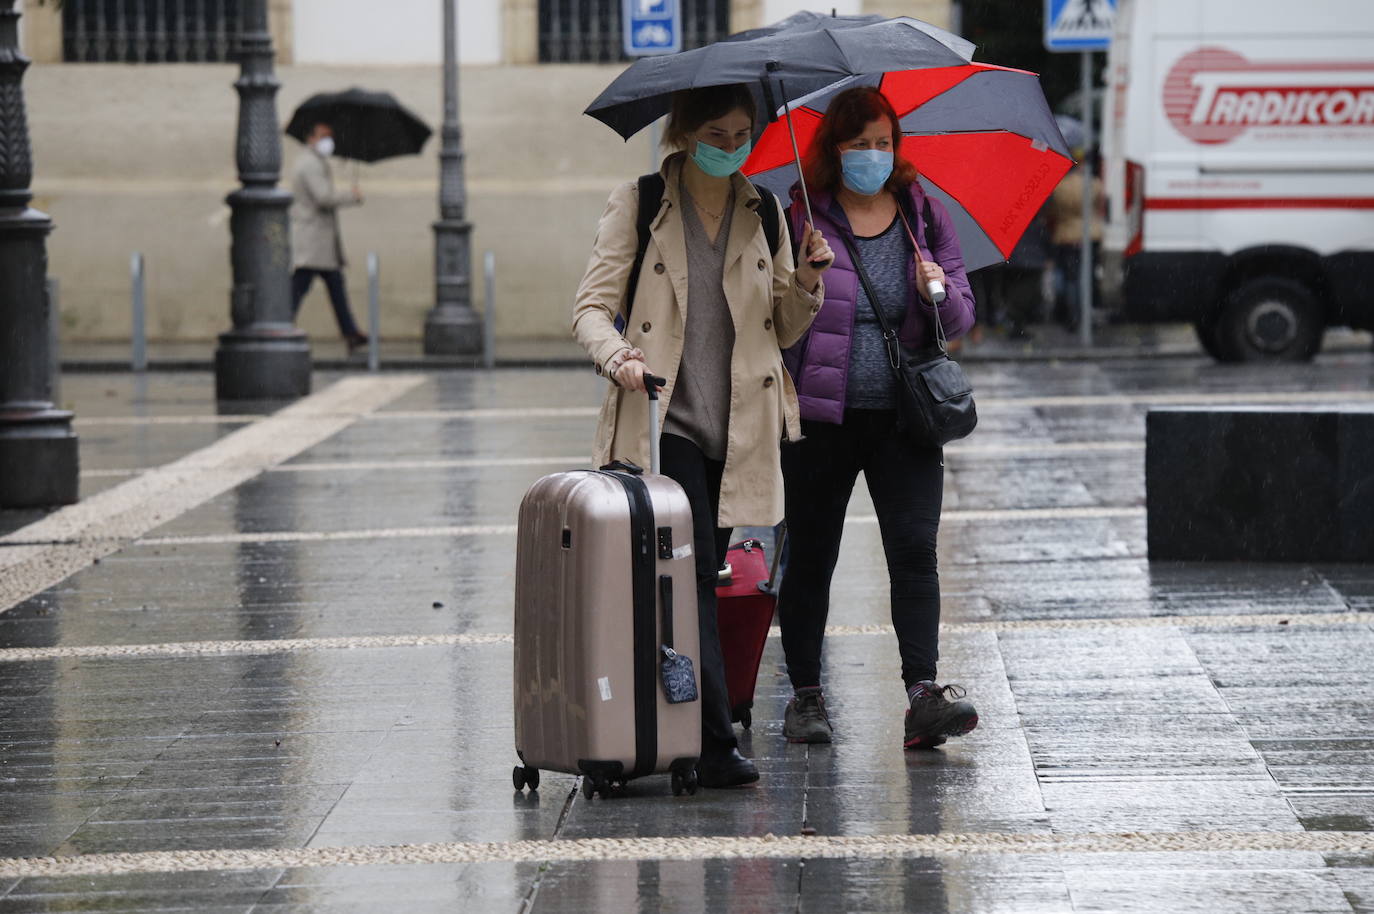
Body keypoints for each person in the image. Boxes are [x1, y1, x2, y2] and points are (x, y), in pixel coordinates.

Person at [572, 83, 833, 788]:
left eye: (742, 134)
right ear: (685, 132)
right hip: (665, 422)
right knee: (688, 577)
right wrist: (618, 354)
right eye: (716, 134)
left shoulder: (766, 208)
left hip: (742, 426)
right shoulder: (643, 201)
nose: (730, 147)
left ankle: (676, 724)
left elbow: (780, 327)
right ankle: (714, 740)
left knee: (700, 579)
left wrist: (807, 280)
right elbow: (591, 308)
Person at [776, 86, 979, 750]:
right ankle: (806, 696)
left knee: (916, 552)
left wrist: (937, 292)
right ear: (834, 149)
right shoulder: (801, 216)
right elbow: (773, 324)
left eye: (883, 142)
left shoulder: (923, 214)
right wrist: (804, 278)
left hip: (904, 419)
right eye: (858, 143)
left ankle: (923, 693)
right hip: (820, 416)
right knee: (811, 556)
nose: (872, 155)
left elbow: (961, 318)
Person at [289, 121, 368, 353]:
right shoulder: (309, 164)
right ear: (311, 137)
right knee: (299, 285)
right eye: (324, 135)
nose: (329, 141)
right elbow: (323, 197)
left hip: (320, 241)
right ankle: (281, 324)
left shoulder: (314, 161)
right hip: (313, 240)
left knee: (334, 285)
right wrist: (351, 196)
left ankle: (350, 331)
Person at [1047, 147, 1105, 331]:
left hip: (1066, 236)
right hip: (1090, 235)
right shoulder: (1094, 183)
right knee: (1086, 277)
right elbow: (1100, 206)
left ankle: (1073, 317)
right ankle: (1086, 316)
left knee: (1071, 278)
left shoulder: (1059, 186)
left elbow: (1052, 212)